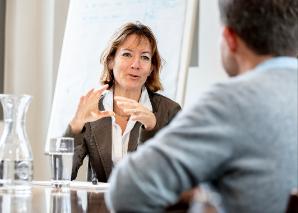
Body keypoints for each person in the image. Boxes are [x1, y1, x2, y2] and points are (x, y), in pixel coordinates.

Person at [105, 0, 298, 212]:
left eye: (144, 57)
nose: (136, 64)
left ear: (229, 39)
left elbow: (127, 189)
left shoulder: (230, 102)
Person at [64, 22, 181, 182]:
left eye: (145, 57)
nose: (136, 64)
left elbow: (171, 179)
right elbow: (63, 175)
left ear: (151, 68)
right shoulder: (93, 108)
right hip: (100, 206)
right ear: (111, 61)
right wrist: (76, 126)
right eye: (127, 54)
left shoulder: (169, 111)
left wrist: (152, 128)